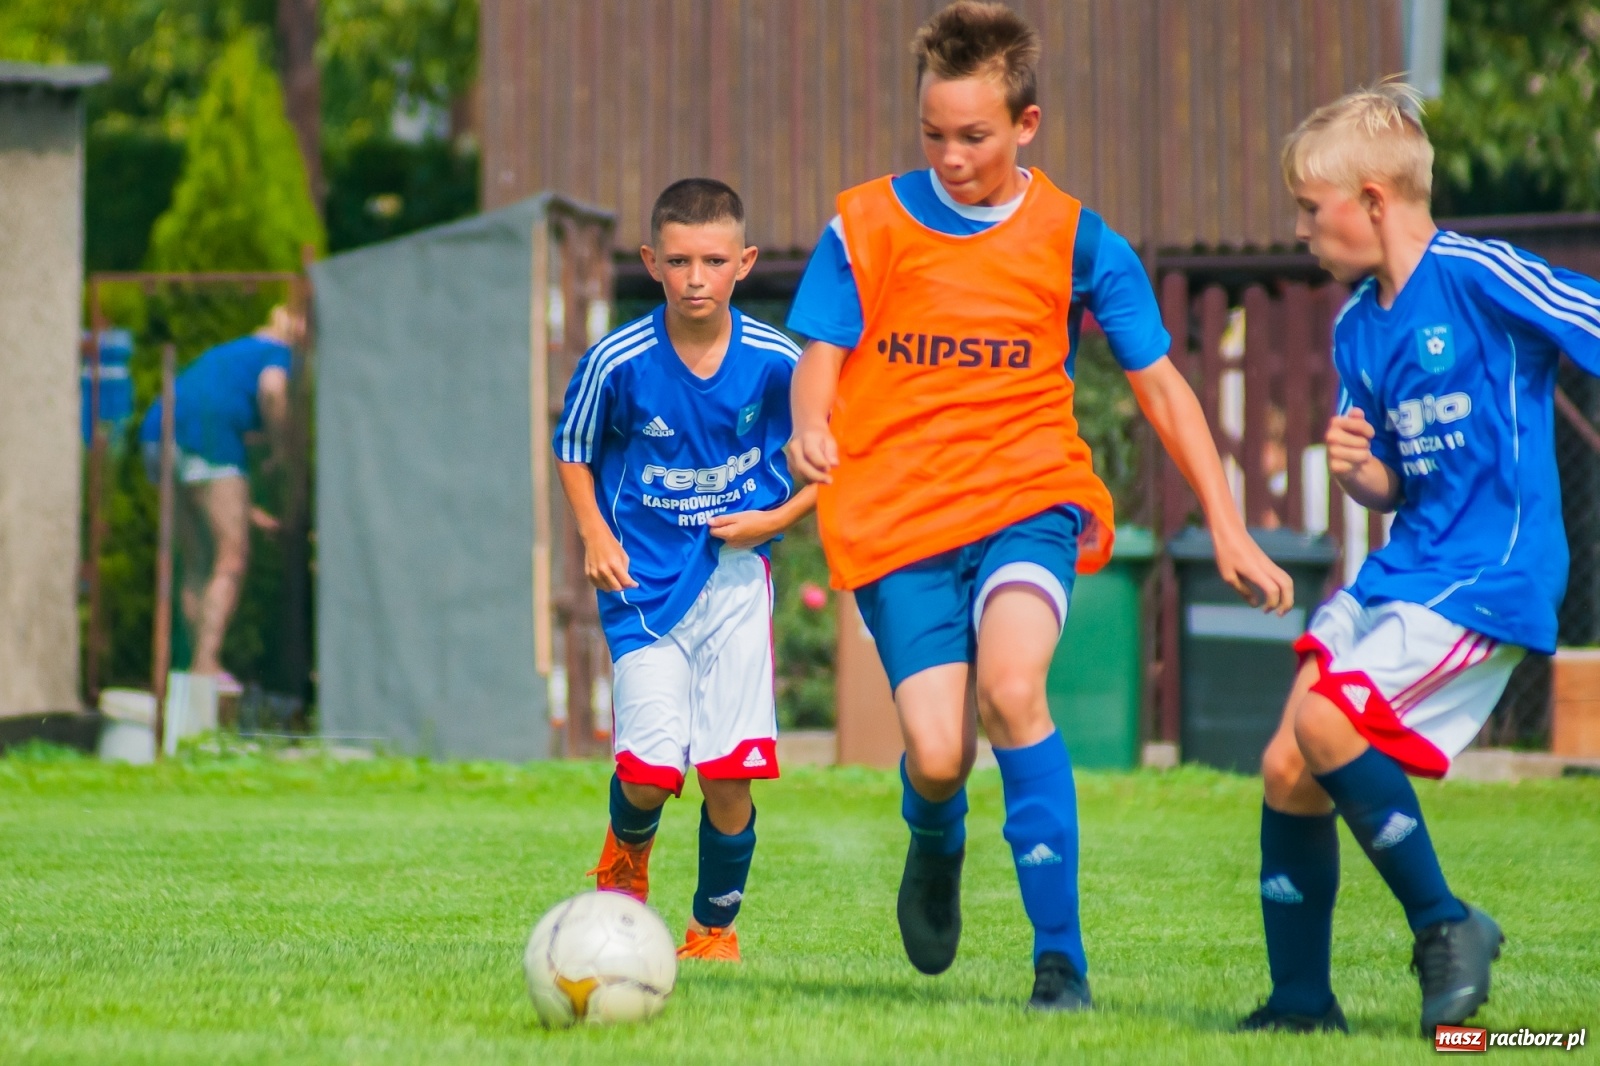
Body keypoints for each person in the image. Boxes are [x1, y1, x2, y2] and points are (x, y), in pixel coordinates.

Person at [784, 0, 1293, 1010]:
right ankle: (936, 839)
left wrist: (1227, 525)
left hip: (1028, 496)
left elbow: (1159, 386)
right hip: (898, 516)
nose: (951, 155)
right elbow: (819, 358)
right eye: (933, 134)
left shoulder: (1080, 241)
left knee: (1013, 690)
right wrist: (808, 422)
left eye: (973, 136)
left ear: (1026, 125)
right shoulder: (866, 223)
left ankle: (1059, 960)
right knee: (935, 752)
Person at [1243, 83, 1600, 1037]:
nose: (1304, 233)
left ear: (1372, 198)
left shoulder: (1481, 274)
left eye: (1310, 212)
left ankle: (1448, 923)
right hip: (1409, 566)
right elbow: (1397, 484)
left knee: (1327, 724)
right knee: (1287, 763)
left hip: (1490, 570)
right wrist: (1367, 477)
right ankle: (1301, 1005)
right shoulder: (1359, 325)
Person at [553, 179, 816, 962]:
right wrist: (596, 534)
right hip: (642, 586)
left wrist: (773, 522)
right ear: (651, 263)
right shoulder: (619, 361)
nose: (696, 277)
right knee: (649, 771)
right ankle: (624, 860)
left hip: (734, 583)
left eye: (713, 260)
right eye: (678, 261)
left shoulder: (777, 362)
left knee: (730, 776)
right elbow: (572, 447)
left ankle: (711, 931)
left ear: (745, 263)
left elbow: (831, 461)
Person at [140, 305, 301, 693]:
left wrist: (255, 514)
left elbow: (215, 495)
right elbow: (274, 391)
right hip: (207, 434)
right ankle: (204, 667)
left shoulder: (232, 353)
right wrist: (282, 450)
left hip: (158, 431)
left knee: (196, 561)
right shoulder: (278, 353)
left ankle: (190, 672)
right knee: (230, 558)